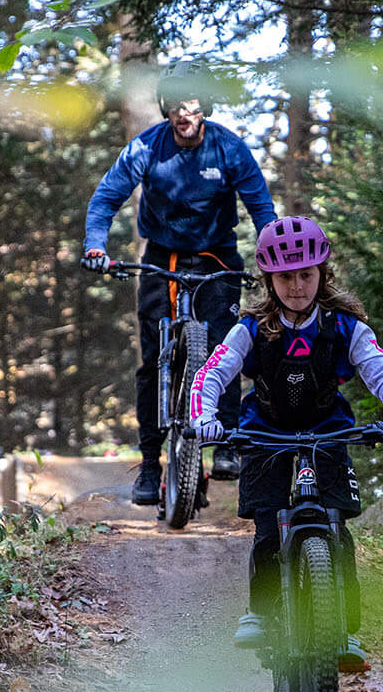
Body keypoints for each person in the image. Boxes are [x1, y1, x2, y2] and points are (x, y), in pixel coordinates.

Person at [187, 216, 383, 673]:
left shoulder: (344, 326)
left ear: (322, 274)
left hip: (328, 429)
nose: (296, 286)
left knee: (338, 530)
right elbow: (213, 373)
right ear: (270, 281)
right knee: (269, 528)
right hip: (263, 431)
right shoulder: (250, 327)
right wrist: (205, 417)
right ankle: (261, 611)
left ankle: (344, 629)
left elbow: (380, 371)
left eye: (306, 274)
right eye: (286, 277)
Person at [83, 70, 277, 504]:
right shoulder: (148, 147)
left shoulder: (228, 148)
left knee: (227, 347)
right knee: (152, 361)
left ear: (205, 108)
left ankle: (225, 444)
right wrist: (96, 246)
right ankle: (150, 467)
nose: (184, 114)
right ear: (166, 109)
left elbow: (262, 208)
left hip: (217, 256)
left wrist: (275, 258)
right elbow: (107, 197)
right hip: (162, 257)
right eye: (176, 106)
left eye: (192, 106)